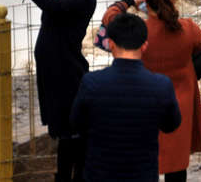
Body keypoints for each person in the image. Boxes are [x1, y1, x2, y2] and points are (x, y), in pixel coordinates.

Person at [8, 0, 104, 182]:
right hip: (55, 72)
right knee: (65, 131)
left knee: (74, 131)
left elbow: (53, 7)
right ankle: (63, 177)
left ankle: (77, 177)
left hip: (67, 73)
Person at [102, 0, 201, 182]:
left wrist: (130, 0)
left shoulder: (138, 30)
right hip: (179, 106)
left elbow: (109, 16)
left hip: (143, 105)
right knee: (177, 167)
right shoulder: (189, 28)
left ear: (146, 4)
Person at [70, 13, 182, 182]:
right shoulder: (162, 85)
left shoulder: (91, 82)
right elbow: (171, 125)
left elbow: (76, 123)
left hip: (98, 176)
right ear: (144, 46)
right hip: (143, 176)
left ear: (110, 44)